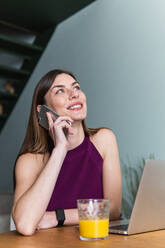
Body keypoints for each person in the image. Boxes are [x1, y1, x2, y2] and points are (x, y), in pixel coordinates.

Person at [12, 69, 122, 236]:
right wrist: (60, 150)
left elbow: (112, 210)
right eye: (60, 90)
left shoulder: (104, 140)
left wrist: (58, 217)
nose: (74, 94)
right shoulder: (29, 161)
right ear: (43, 111)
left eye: (76, 87)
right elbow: (25, 225)